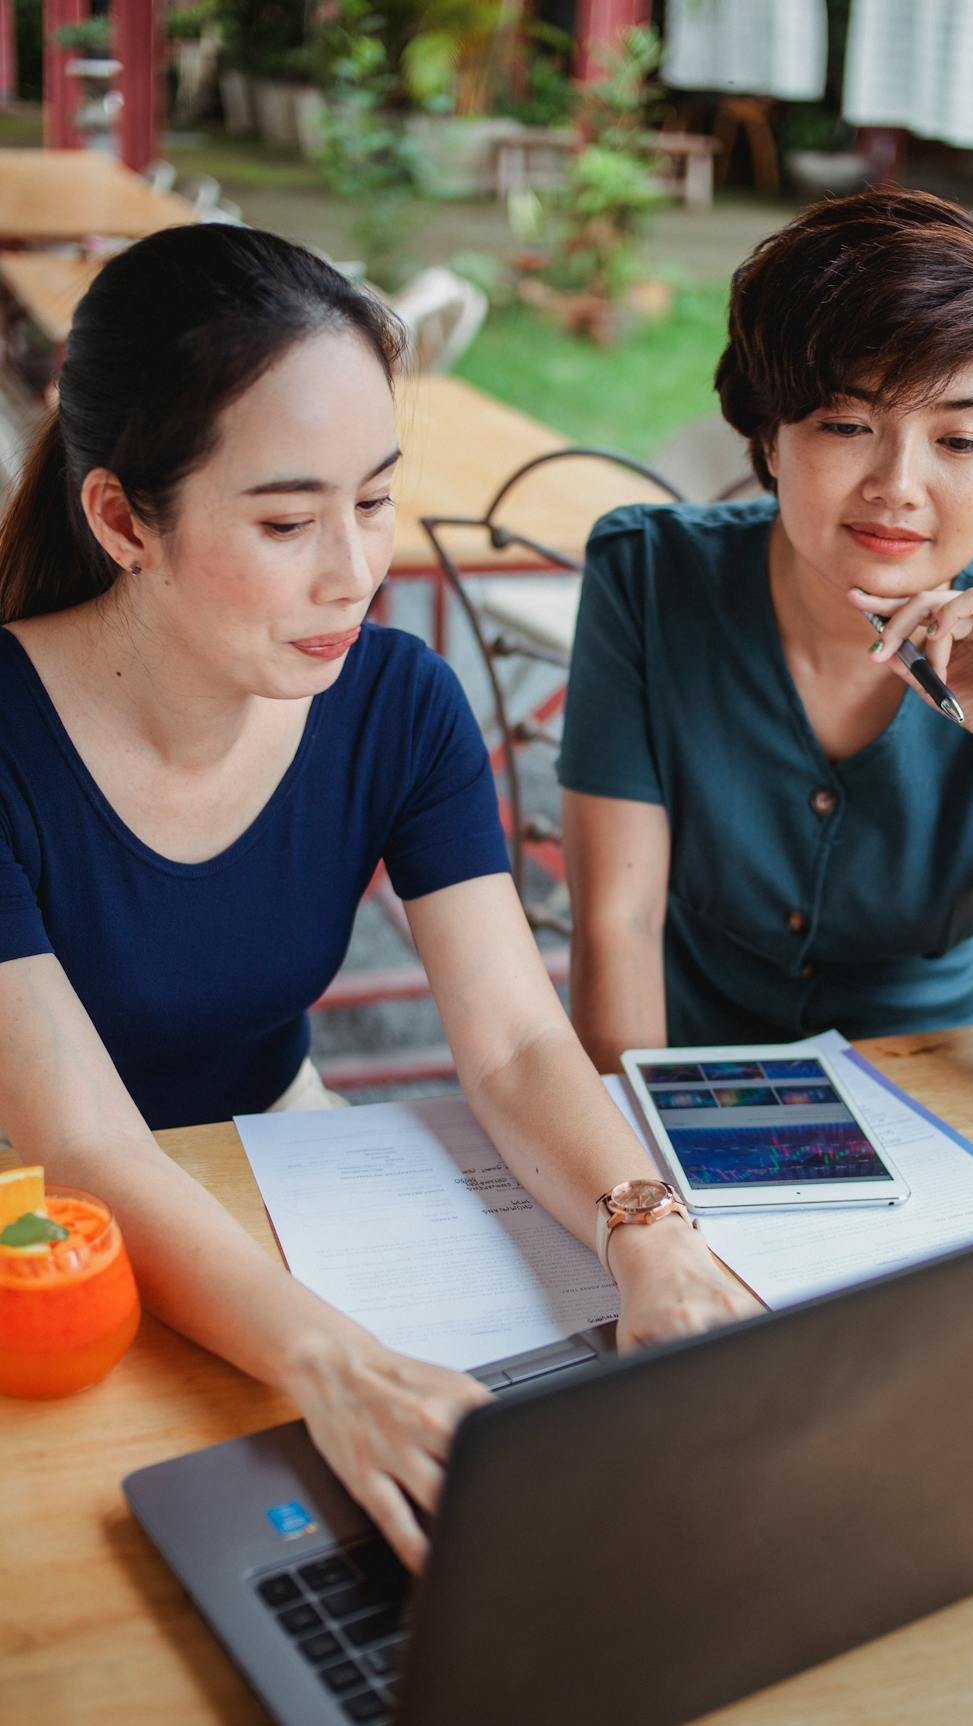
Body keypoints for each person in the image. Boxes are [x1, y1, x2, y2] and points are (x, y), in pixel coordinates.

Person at [0, 225, 757, 1570]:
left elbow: (519, 1042)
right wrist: (336, 1363)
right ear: (122, 519)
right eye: (289, 521)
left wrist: (647, 1229)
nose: (355, 571)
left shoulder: (395, 701)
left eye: (374, 498)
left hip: (268, 1163)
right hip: (36, 1232)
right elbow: (84, 1145)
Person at [559, 190, 973, 1105]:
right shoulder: (649, 576)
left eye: (958, 439)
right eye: (846, 425)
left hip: (939, 1094)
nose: (899, 487)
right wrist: (653, 1162)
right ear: (770, 431)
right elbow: (618, 926)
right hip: (683, 1073)